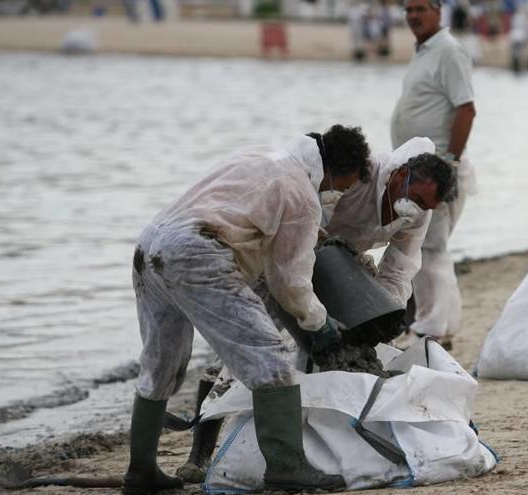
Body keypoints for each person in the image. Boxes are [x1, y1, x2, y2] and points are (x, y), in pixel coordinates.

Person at [123, 125, 371, 494]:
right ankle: (287, 466)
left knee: (160, 364)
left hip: (151, 246)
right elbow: (290, 282)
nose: (341, 192)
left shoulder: (259, 155)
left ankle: (140, 472)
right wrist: (318, 324)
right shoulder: (302, 195)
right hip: (199, 254)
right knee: (269, 359)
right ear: (337, 168)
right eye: (345, 185)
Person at [391, 0, 476, 350]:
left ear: (439, 12)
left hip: (437, 175)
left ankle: (429, 331)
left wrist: (449, 167)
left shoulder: (449, 50)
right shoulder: (425, 50)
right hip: (422, 173)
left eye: (420, 8)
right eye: (408, 9)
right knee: (431, 249)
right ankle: (443, 325)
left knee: (430, 249)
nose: (413, 16)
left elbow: (466, 109)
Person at [325, 137, 459, 308]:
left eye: (425, 206)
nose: (416, 209)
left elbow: (399, 269)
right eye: (416, 199)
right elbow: (311, 211)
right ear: (401, 174)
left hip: (346, 258)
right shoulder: (362, 175)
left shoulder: (419, 215)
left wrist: (387, 308)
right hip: (306, 241)